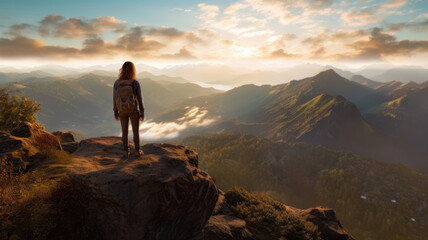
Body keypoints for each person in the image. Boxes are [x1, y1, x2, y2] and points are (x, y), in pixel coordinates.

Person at [113, 61, 144, 158]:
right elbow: (139, 99)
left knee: (124, 132)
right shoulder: (135, 83)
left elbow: (114, 99)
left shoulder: (117, 83)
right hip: (133, 111)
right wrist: (142, 112)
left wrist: (115, 112)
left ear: (122, 70)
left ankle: (126, 152)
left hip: (122, 111)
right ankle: (137, 151)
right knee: (135, 132)